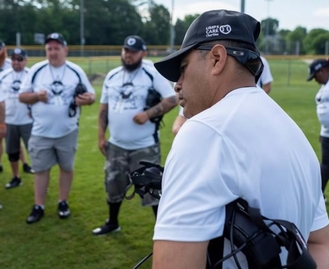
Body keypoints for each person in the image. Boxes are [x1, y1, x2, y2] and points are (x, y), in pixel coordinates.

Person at [148, 9, 329, 269]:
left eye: (182, 67)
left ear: (216, 59)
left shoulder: (204, 132)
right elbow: (322, 246)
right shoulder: (294, 135)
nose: (177, 83)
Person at [92, 35, 177, 236]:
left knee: (151, 188)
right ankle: (112, 222)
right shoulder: (112, 76)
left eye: (133, 52)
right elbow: (103, 107)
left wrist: (149, 114)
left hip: (144, 145)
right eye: (125, 51)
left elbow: (172, 98)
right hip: (116, 145)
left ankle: (162, 231)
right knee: (114, 184)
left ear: (142, 54)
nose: (128, 55)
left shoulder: (151, 74)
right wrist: (101, 136)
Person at [19, 33, 96, 224]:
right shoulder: (37, 70)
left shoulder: (75, 70)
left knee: (66, 168)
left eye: (57, 48)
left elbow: (92, 96)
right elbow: (22, 96)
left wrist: (86, 100)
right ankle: (39, 205)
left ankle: (63, 201)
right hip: (40, 131)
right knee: (40, 170)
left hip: (67, 131)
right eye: (49, 49)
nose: (53, 53)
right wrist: (37, 96)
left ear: (65, 50)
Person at [172, 56, 273, 136]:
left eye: (184, 68)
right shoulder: (196, 97)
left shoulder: (262, 61)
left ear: (217, 60)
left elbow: (267, 85)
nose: (177, 86)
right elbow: (179, 121)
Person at [307, 58, 329, 214]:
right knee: (325, 166)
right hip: (328, 133)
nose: (315, 80)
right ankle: (318, 197)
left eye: (315, 76)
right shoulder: (326, 84)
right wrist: (323, 130)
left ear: (322, 70)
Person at [0, 48, 33, 189]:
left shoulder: (32, 75)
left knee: (35, 151)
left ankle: (40, 179)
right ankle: (16, 177)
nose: (16, 62)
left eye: (20, 59)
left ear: (26, 61)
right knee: (12, 152)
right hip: (10, 120)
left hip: (28, 121)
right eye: (14, 59)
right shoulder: (4, 76)